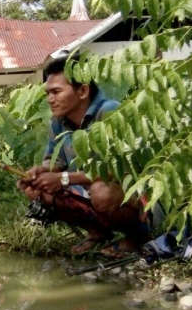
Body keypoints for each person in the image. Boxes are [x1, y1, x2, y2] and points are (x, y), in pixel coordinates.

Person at [17, 55, 150, 257]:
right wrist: (39, 173)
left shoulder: (110, 113)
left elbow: (115, 170)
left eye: (56, 92)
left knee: (101, 192)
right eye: (48, 93)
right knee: (38, 191)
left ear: (83, 91)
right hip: (87, 188)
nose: (49, 99)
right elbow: (55, 162)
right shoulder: (58, 121)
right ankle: (97, 232)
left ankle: (138, 237)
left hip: (132, 195)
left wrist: (62, 179)